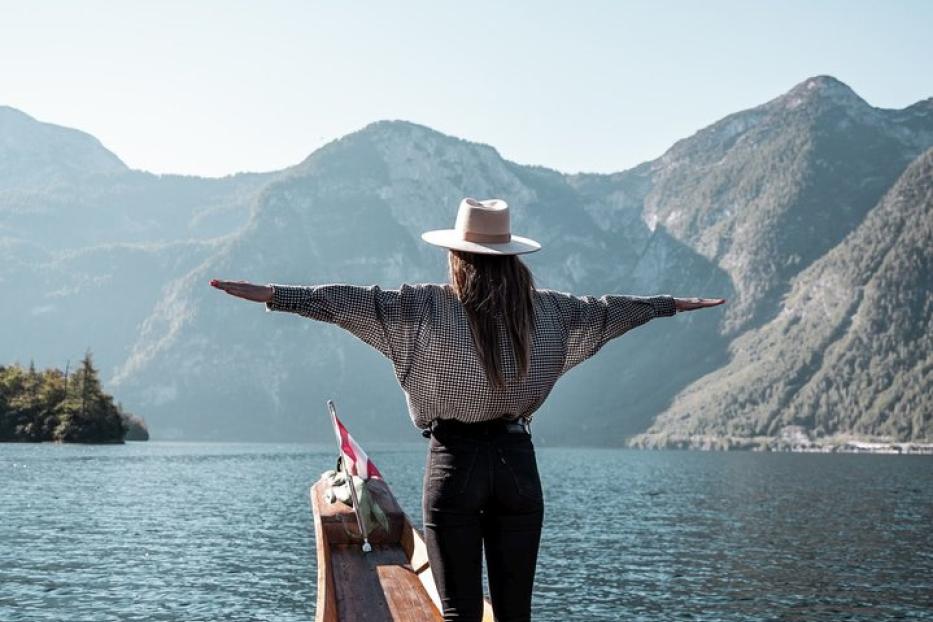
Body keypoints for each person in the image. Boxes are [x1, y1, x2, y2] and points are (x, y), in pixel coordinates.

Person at [211, 197, 724, 622]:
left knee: (458, 611)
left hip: (453, 464)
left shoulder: (421, 307)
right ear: (511, 256)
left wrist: (274, 295)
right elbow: (613, 312)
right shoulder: (550, 311)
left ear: (457, 255)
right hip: (517, 465)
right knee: (514, 614)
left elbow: (344, 302)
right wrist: (667, 304)